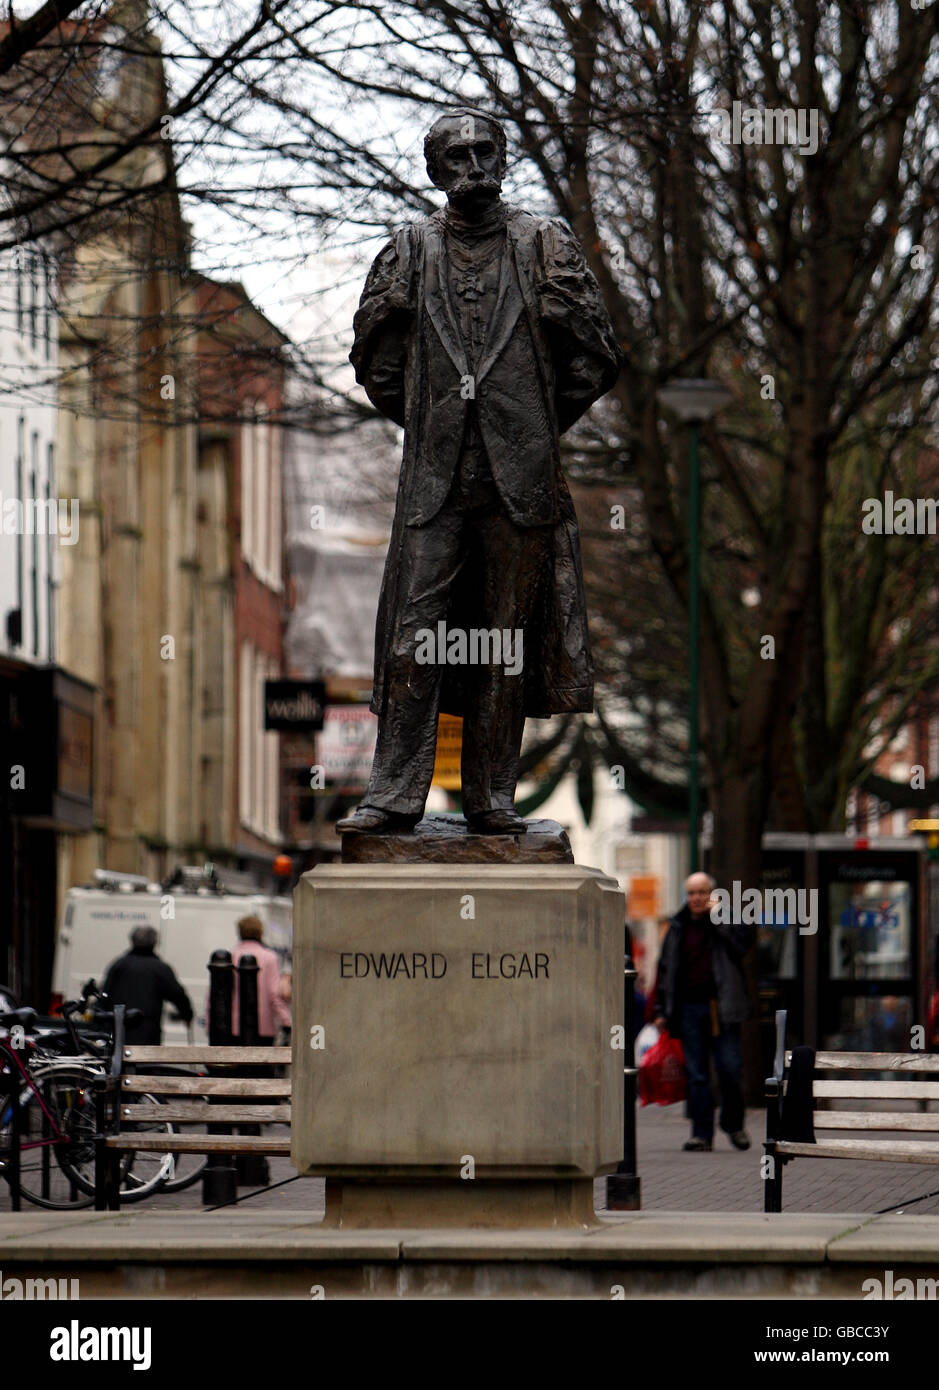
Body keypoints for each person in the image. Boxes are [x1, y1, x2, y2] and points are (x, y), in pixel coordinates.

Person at [337, 107, 621, 837]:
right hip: (436, 482)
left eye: (483, 151)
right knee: (414, 634)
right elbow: (377, 362)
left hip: (519, 483)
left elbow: (593, 356)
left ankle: (490, 798)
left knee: (504, 640)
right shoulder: (407, 250)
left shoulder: (542, 245)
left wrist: (528, 425)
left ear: (503, 158)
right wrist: (435, 420)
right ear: (435, 171)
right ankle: (395, 792)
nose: (471, 167)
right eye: (455, 156)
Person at [653, 872, 754, 1152]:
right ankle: (701, 1134)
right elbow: (665, 971)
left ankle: (733, 1124)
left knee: (730, 1069)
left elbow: (742, 946)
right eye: (692, 893)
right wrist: (662, 1010)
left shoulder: (726, 919)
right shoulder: (677, 926)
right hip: (688, 1009)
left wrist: (720, 915)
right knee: (697, 1075)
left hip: (722, 1008)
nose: (697, 898)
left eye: (702, 892)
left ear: (712, 894)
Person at [102, 925, 193, 1045]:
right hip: (147, 1034)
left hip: (118, 1031)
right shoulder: (160, 968)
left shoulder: (119, 965)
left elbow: (104, 995)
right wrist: (187, 1014)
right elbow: (177, 995)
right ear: (155, 943)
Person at [230, 915, 291, 1044]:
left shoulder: (231, 955)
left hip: (235, 1027)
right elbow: (274, 993)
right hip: (263, 1027)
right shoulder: (269, 957)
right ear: (260, 932)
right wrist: (286, 1021)